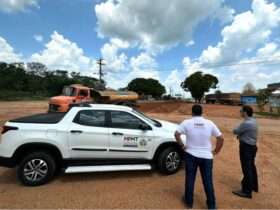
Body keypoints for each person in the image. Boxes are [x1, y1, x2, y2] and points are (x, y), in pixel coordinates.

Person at [175, 104, 224, 209]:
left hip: (190, 155)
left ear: (192, 112)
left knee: (190, 178)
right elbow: (221, 138)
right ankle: (211, 205)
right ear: (202, 112)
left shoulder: (187, 122)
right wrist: (216, 151)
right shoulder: (209, 123)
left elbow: (176, 134)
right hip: (207, 157)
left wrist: (182, 146)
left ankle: (189, 202)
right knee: (208, 180)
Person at [232, 105, 258, 199]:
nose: (240, 112)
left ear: (245, 112)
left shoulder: (246, 123)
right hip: (252, 146)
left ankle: (247, 191)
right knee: (251, 166)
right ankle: (254, 186)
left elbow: (235, 131)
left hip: (246, 147)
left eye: (241, 111)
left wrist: (238, 132)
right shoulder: (253, 120)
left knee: (246, 169)